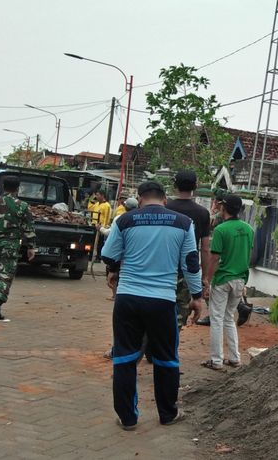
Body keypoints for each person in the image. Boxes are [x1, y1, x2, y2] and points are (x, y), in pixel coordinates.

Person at [101, 180, 203, 430]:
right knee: (166, 358)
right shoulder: (183, 223)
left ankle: (128, 418)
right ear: (164, 199)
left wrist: (114, 270)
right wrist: (197, 296)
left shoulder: (125, 220)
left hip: (128, 298)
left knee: (124, 358)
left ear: (140, 197)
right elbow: (191, 263)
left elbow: (108, 254)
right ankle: (168, 414)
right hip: (163, 301)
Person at [201, 194, 253, 371]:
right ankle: (235, 358)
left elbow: (214, 258)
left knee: (216, 319)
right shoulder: (248, 229)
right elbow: (249, 254)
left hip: (223, 279)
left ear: (224, 208)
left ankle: (216, 360)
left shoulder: (222, 230)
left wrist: (207, 279)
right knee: (229, 318)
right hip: (240, 278)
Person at [0, 176, 36, 320]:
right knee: (5, 275)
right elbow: (29, 229)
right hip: (10, 245)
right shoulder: (22, 206)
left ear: (3, 186)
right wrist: (31, 247)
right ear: (18, 188)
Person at [165, 170, 212, 330]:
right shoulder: (203, 213)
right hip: (186, 272)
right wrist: (204, 277)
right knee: (177, 316)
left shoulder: (165, 207)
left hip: (162, 267)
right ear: (195, 186)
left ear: (175, 185)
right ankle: (169, 349)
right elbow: (205, 249)